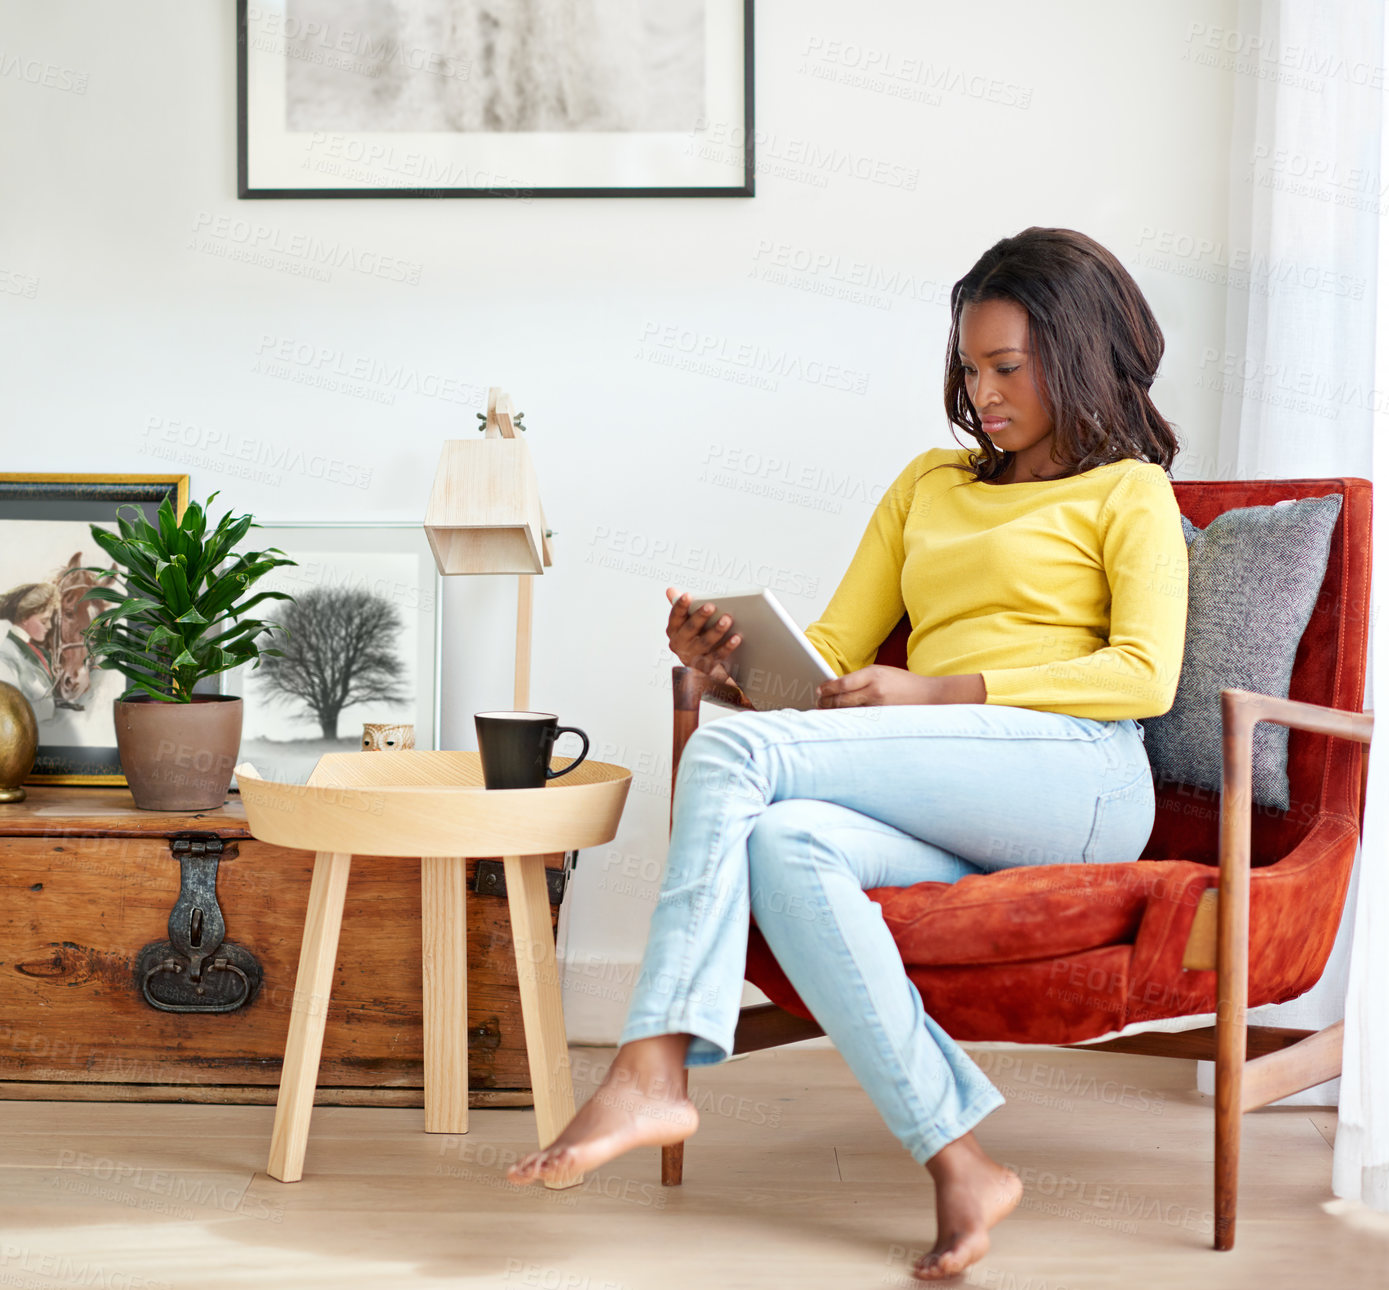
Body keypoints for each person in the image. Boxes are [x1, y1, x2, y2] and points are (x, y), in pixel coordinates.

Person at [506, 228, 1190, 1281]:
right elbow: (829, 662)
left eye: (1007, 367)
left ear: (1081, 355)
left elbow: (1142, 676)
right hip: (949, 787)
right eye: (969, 367)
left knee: (736, 763)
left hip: (1079, 778)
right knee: (783, 842)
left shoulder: (1128, 491)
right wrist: (729, 669)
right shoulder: (927, 484)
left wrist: (938, 689)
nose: (983, 391)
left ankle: (651, 1065)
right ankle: (960, 1160)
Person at [0, 582, 61, 722]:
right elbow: (8, 712)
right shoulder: (4, 659)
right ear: (24, 618)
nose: (49, 626)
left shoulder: (39, 653)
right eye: (44, 621)